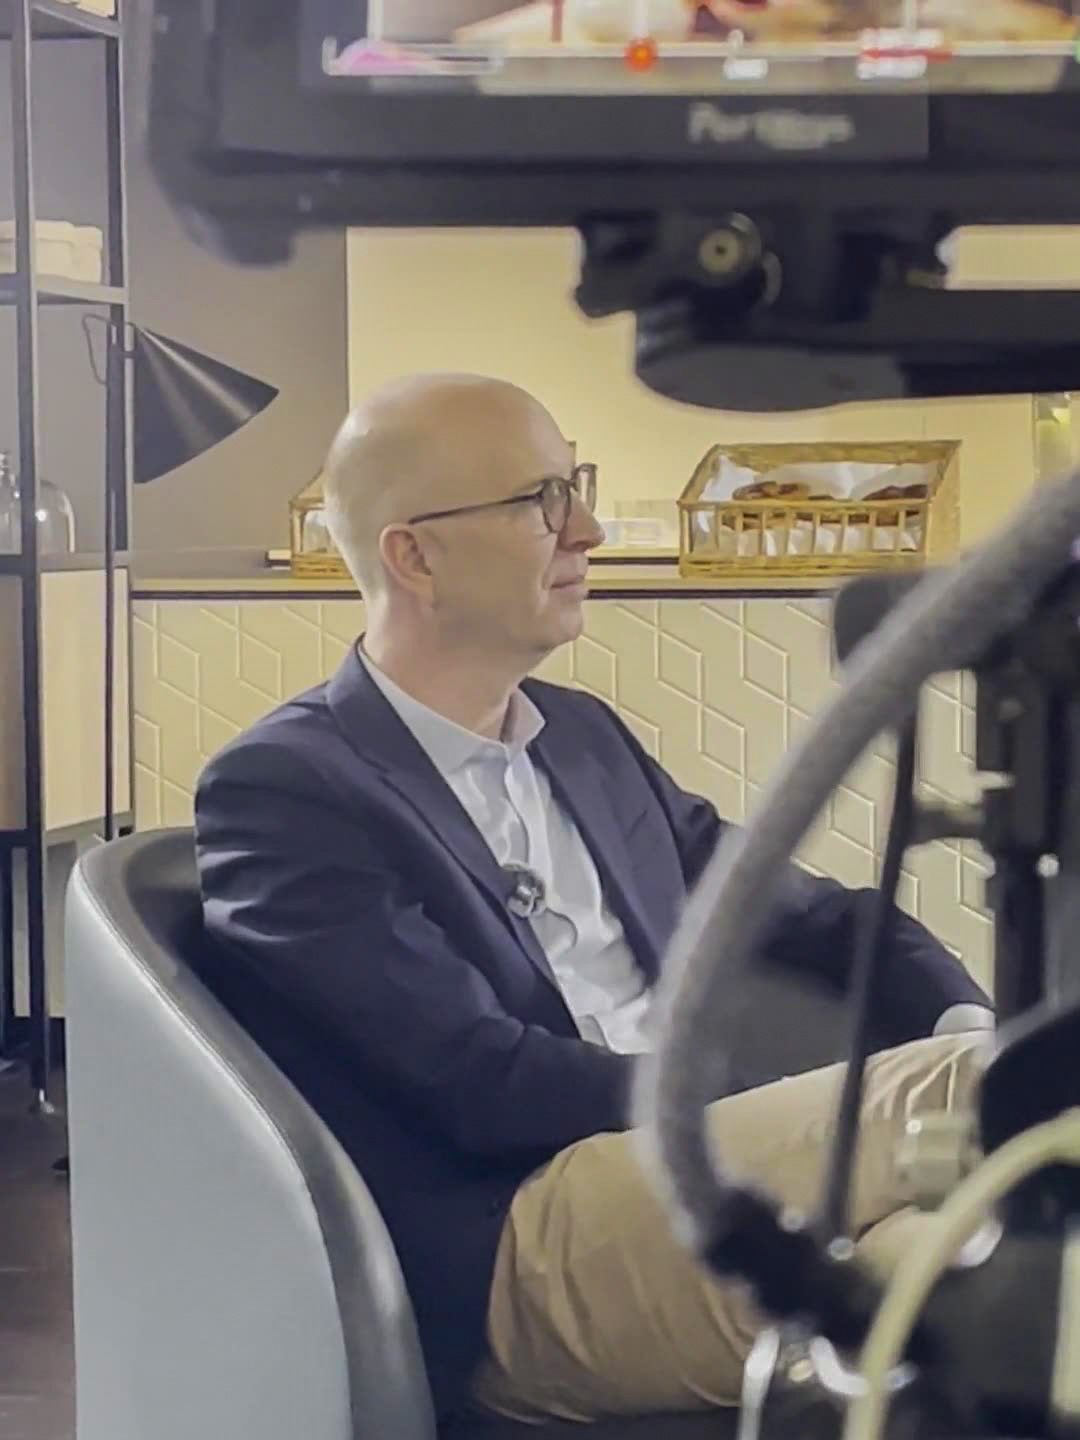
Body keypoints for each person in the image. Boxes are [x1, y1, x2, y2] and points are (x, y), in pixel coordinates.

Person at [194, 374, 993, 1425]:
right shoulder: (287, 790)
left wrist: (959, 1012)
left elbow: (815, 916)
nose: (589, 531)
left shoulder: (583, 739)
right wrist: (749, 1097)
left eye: (576, 489)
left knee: (993, 1281)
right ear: (415, 556)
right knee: (982, 1086)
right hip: (524, 1252)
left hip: (690, 1200)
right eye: (541, 501)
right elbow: (477, 1082)